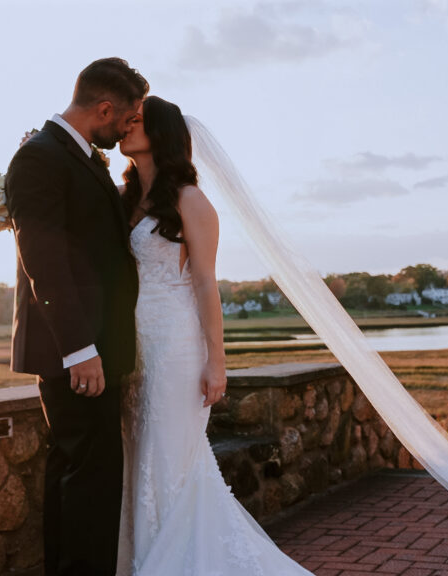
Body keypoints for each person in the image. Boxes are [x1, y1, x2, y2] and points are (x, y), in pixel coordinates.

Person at [115, 95, 314, 575]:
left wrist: (217, 361)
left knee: (167, 460)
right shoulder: (124, 200)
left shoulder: (191, 201)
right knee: (140, 454)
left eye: (136, 120)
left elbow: (206, 282)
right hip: (135, 347)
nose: (124, 126)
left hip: (177, 347)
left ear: (160, 134)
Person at [4, 57, 147, 576]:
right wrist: (79, 349)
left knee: (83, 476)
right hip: (78, 353)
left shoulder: (77, 155)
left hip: (94, 348)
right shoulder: (40, 157)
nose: (127, 129)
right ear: (104, 108)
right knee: (87, 481)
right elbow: (44, 261)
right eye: (126, 120)